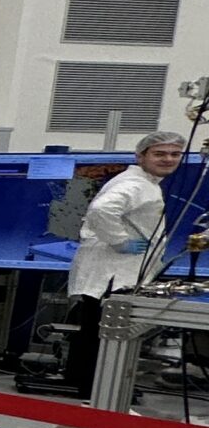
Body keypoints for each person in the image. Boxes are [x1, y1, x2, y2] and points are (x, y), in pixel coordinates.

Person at [58, 131, 188, 397]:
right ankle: (100, 394)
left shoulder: (144, 183)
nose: (168, 159)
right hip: (114, 275)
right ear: (140, 156)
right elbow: (101, 210)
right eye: (160, 154)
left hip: (111, 274)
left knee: (94, 334)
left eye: (175, 154)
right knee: (104, 337)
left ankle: (91, 388)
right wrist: (119, 241)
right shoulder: (136, 185)